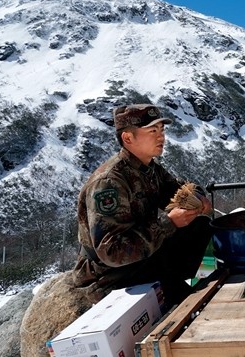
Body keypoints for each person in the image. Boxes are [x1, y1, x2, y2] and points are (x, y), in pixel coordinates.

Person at [73, 104, 213, 306]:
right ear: (128, 138)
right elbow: (111, 251)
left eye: (162, 130)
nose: (161, 137)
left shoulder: (148, 169)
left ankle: (185, 283)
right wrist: (168, 223)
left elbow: (178, 191)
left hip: (142, 259)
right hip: (110, 275)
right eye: (152, 131)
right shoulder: (109, 182)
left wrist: (198, 198)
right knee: (185, 301)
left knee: (200, 227)